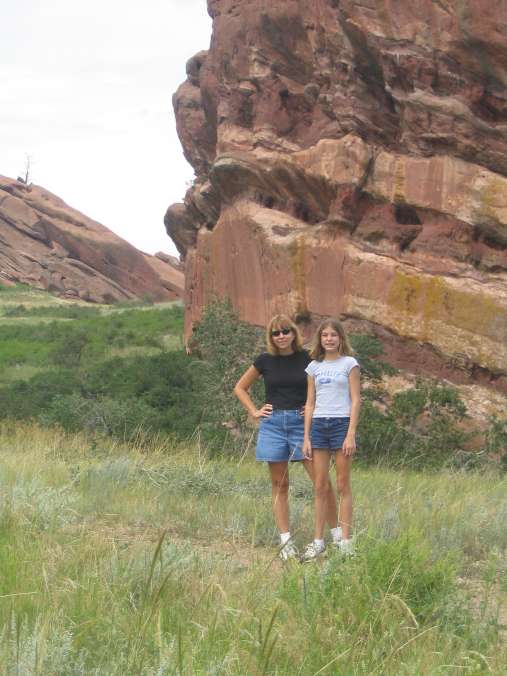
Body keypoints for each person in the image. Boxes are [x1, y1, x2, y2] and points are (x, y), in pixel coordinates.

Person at [234, 314, 340, 561]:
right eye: (275, 333)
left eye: (285, 331)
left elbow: (327, 383)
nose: (281, 336)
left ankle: (337, 536)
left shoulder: (308, 358)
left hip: (302, 425)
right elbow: (240, 387)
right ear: (270, 337)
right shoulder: (264, 360)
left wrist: (314, 407)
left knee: (322, 483)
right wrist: (254, 411)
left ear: (294, 333)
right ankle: (286, 542)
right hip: (273, 425)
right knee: (280, 485)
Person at [301, 318, 361, 561]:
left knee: (343, 485)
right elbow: (310, 402)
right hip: (318, 426)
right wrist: (306, 437)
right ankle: (318, 542)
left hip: (340, 425)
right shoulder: (313, 367)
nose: (329, 339)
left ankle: (345, 542)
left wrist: (351, 433)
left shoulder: (350, 363)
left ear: (340, 338)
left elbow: (356, 399)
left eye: (333, 335)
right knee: (320, 486)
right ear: (320, 338)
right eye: (325, 335)